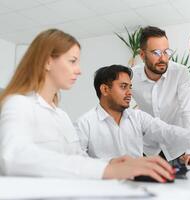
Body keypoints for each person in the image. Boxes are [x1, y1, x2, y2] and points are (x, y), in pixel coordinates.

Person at [0, 29, 176, 183]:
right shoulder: (18, 104)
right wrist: (107, 170)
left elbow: (76, 159)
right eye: (72, 61)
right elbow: (13, 157)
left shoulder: (61, 116)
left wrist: (112, 163)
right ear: (47, 62)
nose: (79, 70)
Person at [75, 64, 190, 172]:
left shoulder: (137, 118)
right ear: (105, 89)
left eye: (130, 87)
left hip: (137, 189)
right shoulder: (85, 123)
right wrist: (109, 163)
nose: (130, 93)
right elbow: (74, 161)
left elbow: (168, 131)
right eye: (123, 87)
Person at [131, 26, 190, 165]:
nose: (163, 58)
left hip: (177, 149)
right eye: (156, 52)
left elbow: (187, 111)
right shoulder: (131, 76)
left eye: (166, 52)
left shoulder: (180, 72)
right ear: (142, 55)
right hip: (148, 149)